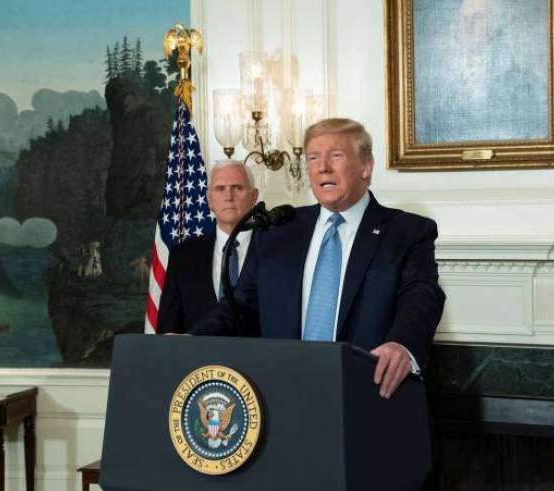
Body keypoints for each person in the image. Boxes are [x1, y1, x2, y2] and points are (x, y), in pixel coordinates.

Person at [191, 118, 446, 398]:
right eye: (313, 157)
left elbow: (422, 296)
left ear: (366, 166)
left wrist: (401, 345)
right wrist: (190, 339)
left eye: (336, 156)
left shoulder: (406, 233)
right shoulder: (278, 231)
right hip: (281, 396)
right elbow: (239, 306)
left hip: (365, 395)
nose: (322, 166)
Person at [156, 160, 259, 334]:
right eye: (220, 189)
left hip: (260, 358)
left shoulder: (274, 251)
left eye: (237, 188)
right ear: (209, 199)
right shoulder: (182, 257)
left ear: (254, 197)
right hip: (199, 360)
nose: (228, 196)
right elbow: (168, 331)